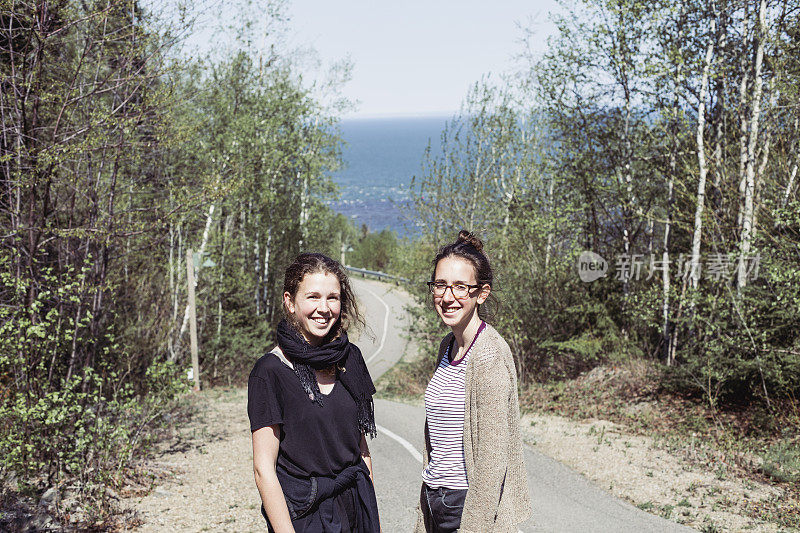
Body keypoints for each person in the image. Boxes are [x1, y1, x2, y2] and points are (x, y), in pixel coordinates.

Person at [248, 253, 380, 533]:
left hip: (354, 508)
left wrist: (371, 517)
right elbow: (264, 470)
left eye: (332, 297)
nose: (324, 308)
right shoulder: (270, 371)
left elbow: (361, 449)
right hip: (304, 514)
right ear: (290, 302)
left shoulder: (350, 359)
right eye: (313, 297)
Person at [414, 230, 532, 533]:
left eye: (460, 287)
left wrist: (474, 527)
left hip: (466, 506)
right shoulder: (448, 346)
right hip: (435, 496)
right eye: (440, 285)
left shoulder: (489, 356)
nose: (448, 296)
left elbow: (492, 463)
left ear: (482, 292)